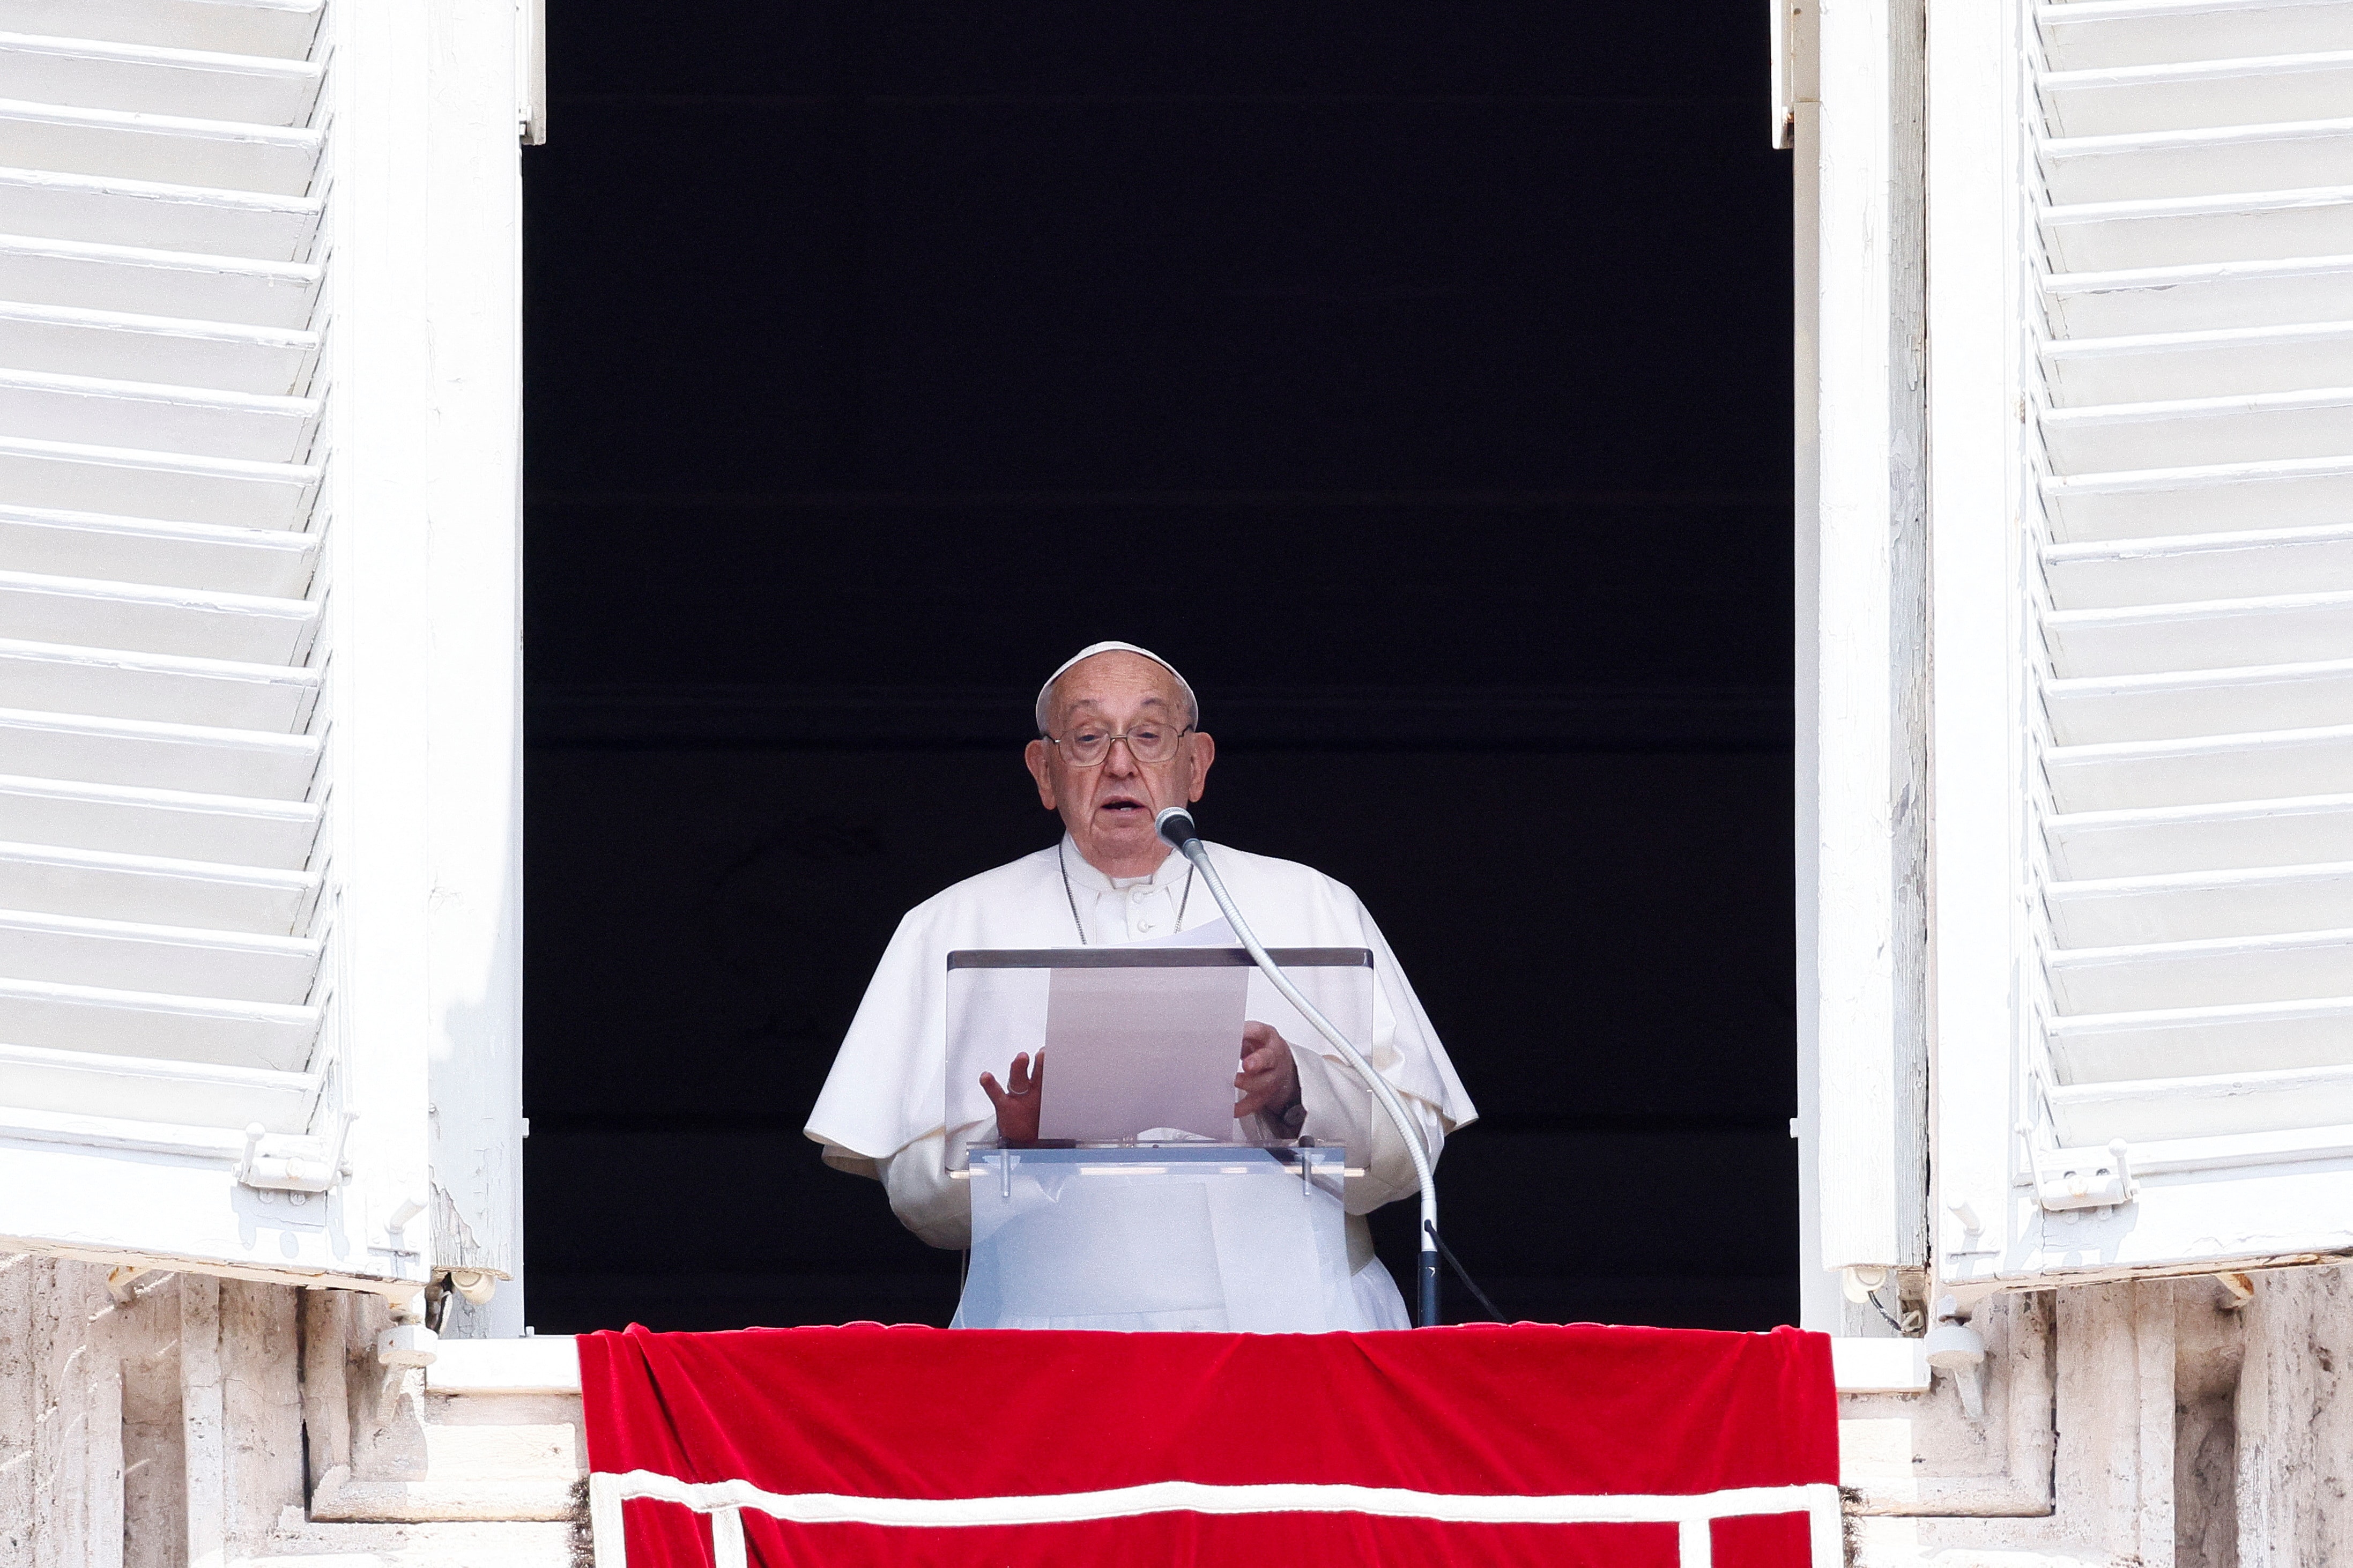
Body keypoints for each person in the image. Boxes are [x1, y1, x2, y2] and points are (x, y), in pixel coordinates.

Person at [804, 641, 1476, 1328]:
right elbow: (919, 1207)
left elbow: (1412, 1153)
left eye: (1149, 735)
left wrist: (1297, 1089)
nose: (1120, 764)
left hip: (1297, 1325)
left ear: (1197, 764)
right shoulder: (950, 926)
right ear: (1044, 771)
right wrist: (1017, 1149)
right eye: (1089, 738)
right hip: (1050, 1339)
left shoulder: (1314, 905)